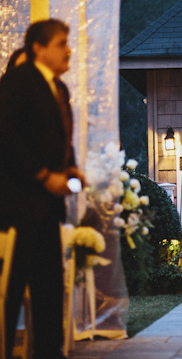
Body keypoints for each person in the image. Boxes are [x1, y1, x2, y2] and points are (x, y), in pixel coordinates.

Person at [0, 19, 84, 359]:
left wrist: (72, 167)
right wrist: (41, 174)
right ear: (39, 47)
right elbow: (6, 136)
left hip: (48, 208)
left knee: (50, 292)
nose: (69, 49)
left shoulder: (59, 88)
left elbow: (61, 136)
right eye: (62, 42)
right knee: (12, 292)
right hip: (20, 207)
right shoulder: (18, 82)